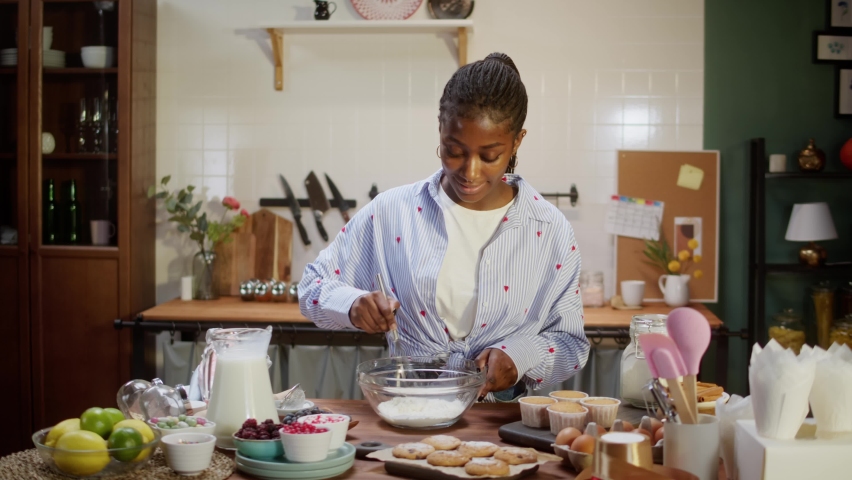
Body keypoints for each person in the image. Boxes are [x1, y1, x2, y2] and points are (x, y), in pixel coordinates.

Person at [299, 52, 589, 401]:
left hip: (502, 428)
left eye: (490, 155)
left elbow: (571, 343)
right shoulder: (393, 212)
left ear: (517, 141)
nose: (470, 172)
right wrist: (353, 304)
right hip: (407, 412)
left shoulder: (550, 230)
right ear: (440, 131)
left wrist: (521, 356)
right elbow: (312, 286)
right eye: (454, 151)